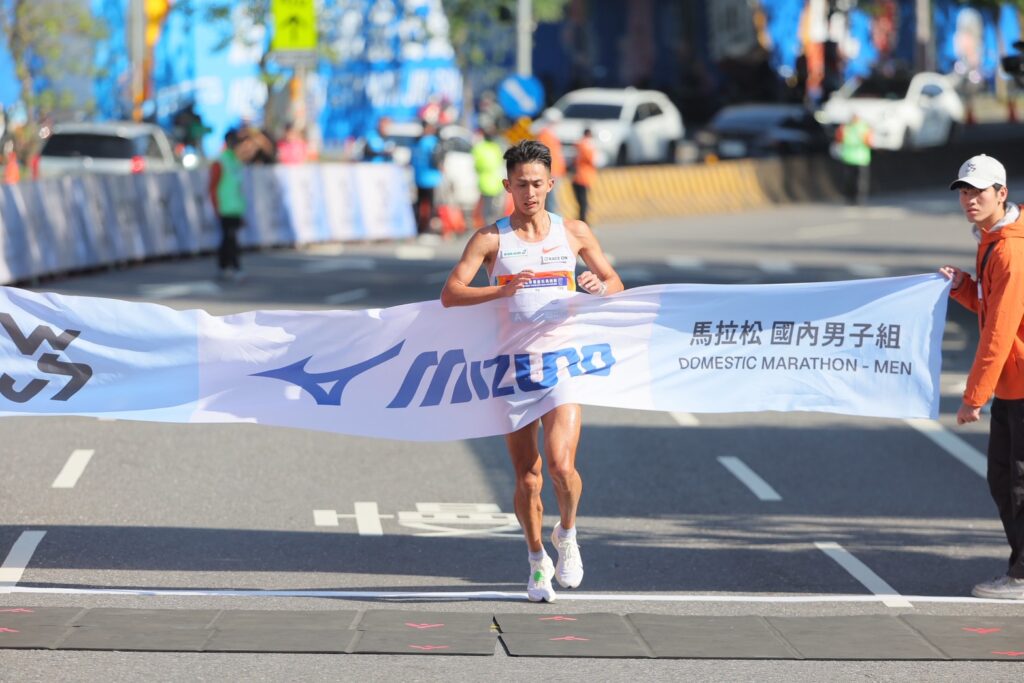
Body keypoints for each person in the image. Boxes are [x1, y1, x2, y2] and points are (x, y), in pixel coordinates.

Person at [439, 140, 623, 603]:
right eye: (521, 185)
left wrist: (600, 286)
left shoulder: (574, 232)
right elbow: (451, 293)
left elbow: (615, 283)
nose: (530, 193)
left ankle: (568, 533)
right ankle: (537, 558)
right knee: (529, 477)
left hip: (563, 362)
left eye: (538, 184)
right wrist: (500, 292)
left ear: (551, 184)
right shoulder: (490, 239)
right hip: (512, 368)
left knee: (562, 466)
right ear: (507, 186)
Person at [939, 154, 1024, 599]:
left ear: (1001, 193)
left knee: (1017, 483)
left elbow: (999, 331)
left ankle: (1022, 576)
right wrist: (963, 288)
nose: (970, 200)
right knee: (1003, 478)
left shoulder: (1010, 249)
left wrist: (974, 396)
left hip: (1020, 384)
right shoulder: (993, 238)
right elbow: (992, 307)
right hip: (1013, 385)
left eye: (979, 192)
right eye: (964, 192)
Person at [208, 129, 246, 281]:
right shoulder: (221, 161)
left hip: (235, 207)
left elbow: (238, 187)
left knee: (228, 239)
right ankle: (235, 267)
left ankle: (223, 266)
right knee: (230, 239)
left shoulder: (236, 161)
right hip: (225, 207)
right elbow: (213, 186)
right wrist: (215, 206)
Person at [411, 122, 443, 235]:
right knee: (432, 205)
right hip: (431, 178)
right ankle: (429, 229)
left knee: (420, 204)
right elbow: (436, 159)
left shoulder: (418, 142)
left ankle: (419, 228)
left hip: (419, 177)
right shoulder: (432, 142)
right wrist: (441, 167)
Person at [836, 114, 872, 205]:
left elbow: (839, 139)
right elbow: (869, 142)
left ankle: (852, 198)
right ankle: (858, 199)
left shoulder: (846, 127)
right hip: (859, 158)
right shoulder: (864, 127)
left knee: (851, 180)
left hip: (852, 158)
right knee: (858, 181)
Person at [472, 129, 506, 226]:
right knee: (494, 205)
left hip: (485, 181)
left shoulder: (479, 148)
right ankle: (492, 223)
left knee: (485, 205)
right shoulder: (496, 147)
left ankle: (486, 224)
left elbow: (476, 164)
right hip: (496, 180)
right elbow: (500, 161)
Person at [535, 110, 566, 213]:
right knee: (551, 200)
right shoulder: (545, 135)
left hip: (555, 171)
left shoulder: (551, 134)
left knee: (553, 199)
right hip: (550, 172)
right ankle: (552, 219)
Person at [572, 128, 597, 223]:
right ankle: (583, 220)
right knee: (583, 202)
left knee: (581, 201)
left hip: (577, 177)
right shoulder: (587, 146)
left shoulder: (579, 144)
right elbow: (591, 160)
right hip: (584, 178)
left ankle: (582, 219)